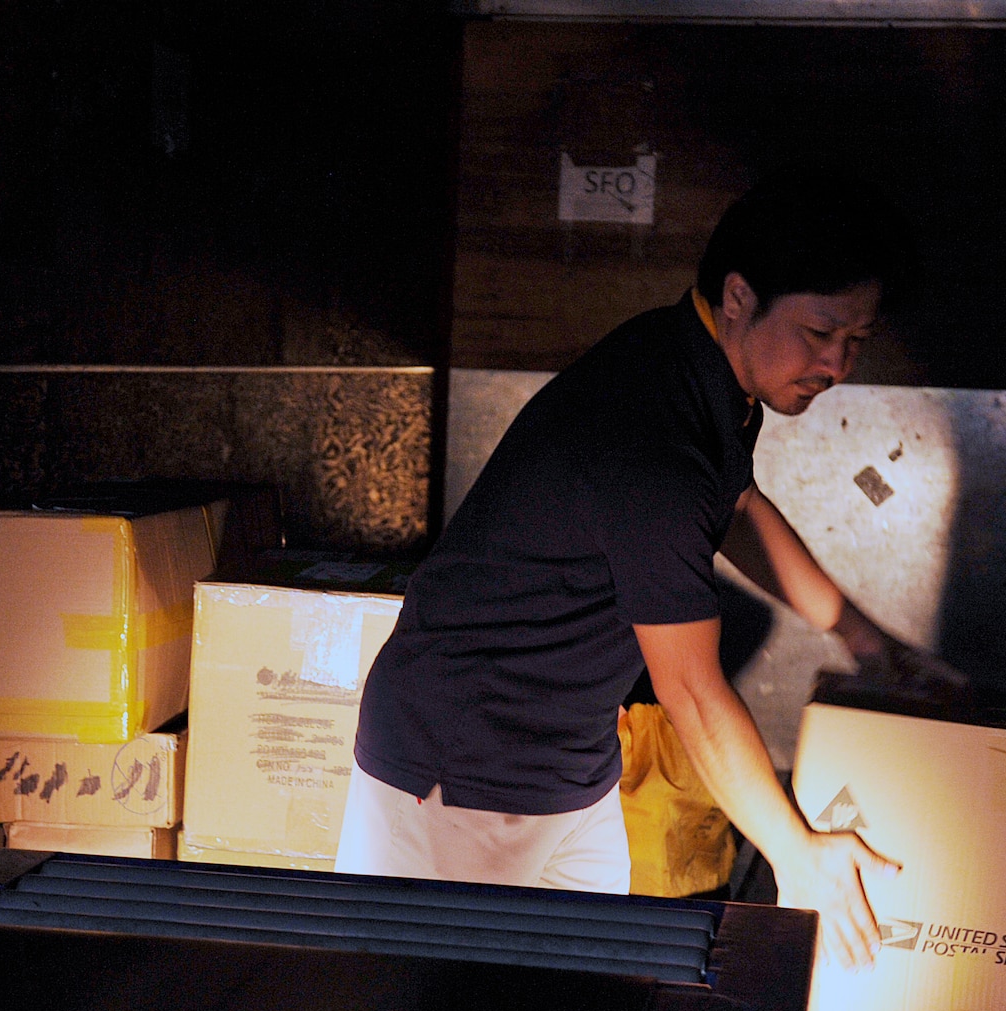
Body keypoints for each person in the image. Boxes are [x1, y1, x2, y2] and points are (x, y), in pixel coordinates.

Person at [340, 175, 955, 968]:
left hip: (570, 763)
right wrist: (797, 853)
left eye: (856, 340)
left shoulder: (706, 376)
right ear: (739, 296)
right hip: (457, 772)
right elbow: (692, 692)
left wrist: (867, 642)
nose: (836, 363)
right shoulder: (651, 433)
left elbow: (737, 508)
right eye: (818, 332)